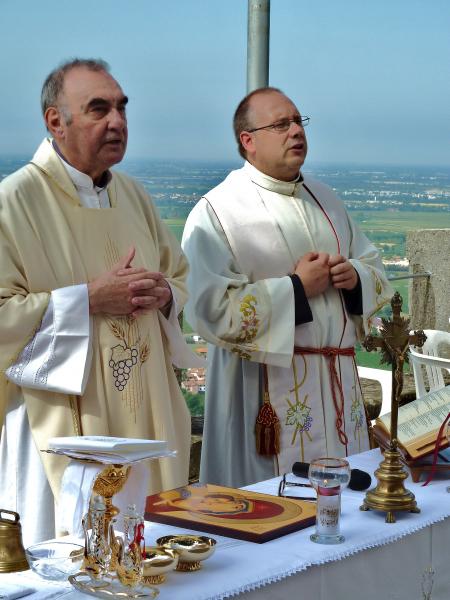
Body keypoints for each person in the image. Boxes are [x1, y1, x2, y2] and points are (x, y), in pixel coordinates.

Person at [0, 58, 199, 544]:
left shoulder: (134, 196)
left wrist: (165, 293)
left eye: (122, 108)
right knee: (69, 558)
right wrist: (87, 300)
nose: (118, 121)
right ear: (55, 121)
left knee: (150, 550)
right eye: (98, 109)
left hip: (144, 411)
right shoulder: (14, 201)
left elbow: (179, 276)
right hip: (60, 421)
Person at [182, 87, 392, 488]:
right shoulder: (216, 212)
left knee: (343, 508)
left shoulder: (326, 199)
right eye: (281, 124)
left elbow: (373, 265)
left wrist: (355, 278)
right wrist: (296, 289)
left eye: (299, 121)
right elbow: (209, 309)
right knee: (270, 508)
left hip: (335, 389)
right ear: (248, 141)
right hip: (260, 389)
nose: (296, 130)